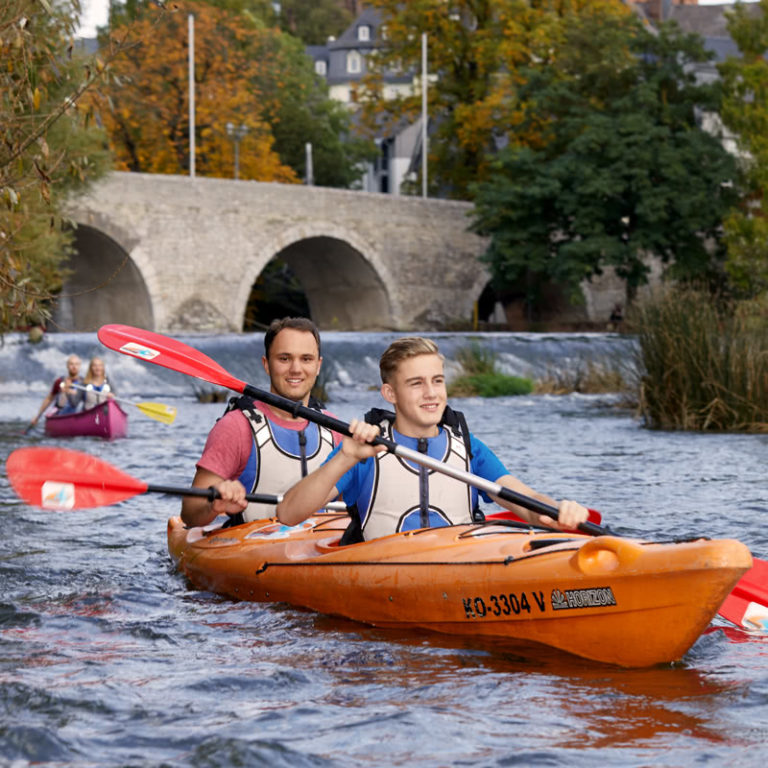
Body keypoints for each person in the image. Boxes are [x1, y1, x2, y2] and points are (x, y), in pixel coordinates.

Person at [277, 337, 590, 541]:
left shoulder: (469, 450)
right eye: (416, 383)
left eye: (437, 381)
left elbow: (526, 502)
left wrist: (560, 509)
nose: (431, 393)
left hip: (457, 573)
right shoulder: (364, 451)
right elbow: (289, 514)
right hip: (382, 578)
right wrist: (345, 458)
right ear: (390, 393)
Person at [181, 317, 341, 528]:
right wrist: (214, 505)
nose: (296, 369)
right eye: (284, 359)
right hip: (253, 548)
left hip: (323, 548)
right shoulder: (236, 428)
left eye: (306, 359)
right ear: (266, 364)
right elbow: (190, 515)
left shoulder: (336, 431)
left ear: (318, 365)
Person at [29, 354, 84, 427]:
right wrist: (38, 416)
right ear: (67, 366)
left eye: (76, 364)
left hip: (75, 414)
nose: (74, 367)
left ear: (80, 366)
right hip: (59, 414)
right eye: (71, 364)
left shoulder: (84, 383)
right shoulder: (59, 381)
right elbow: (49, 398)